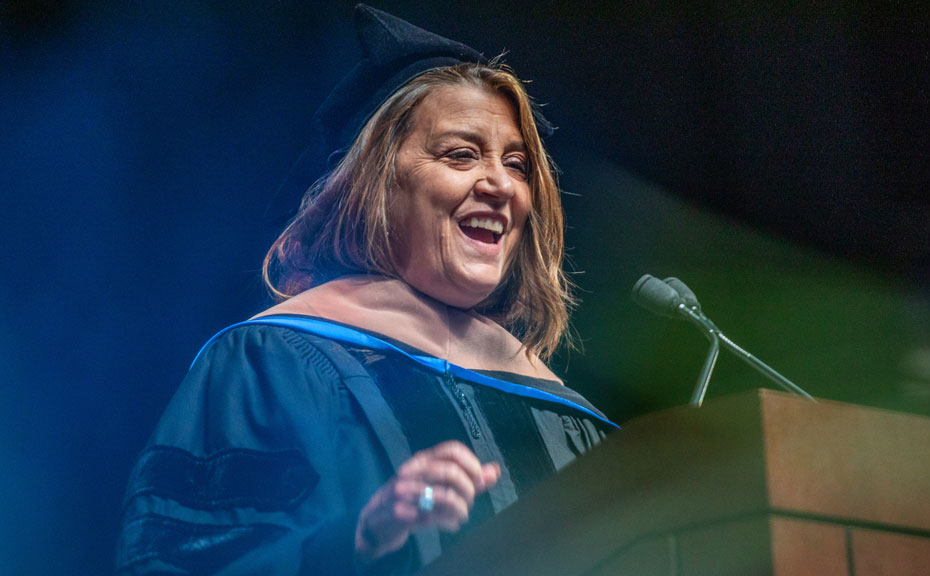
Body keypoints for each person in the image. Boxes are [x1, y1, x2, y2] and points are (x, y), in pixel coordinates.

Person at [115, 5, 614, 575]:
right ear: (375, 183)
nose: (501, 185)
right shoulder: (274, 365)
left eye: (519, 164)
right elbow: (176, 562)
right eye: (460, 154)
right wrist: (364, 537)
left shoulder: (579, 422)